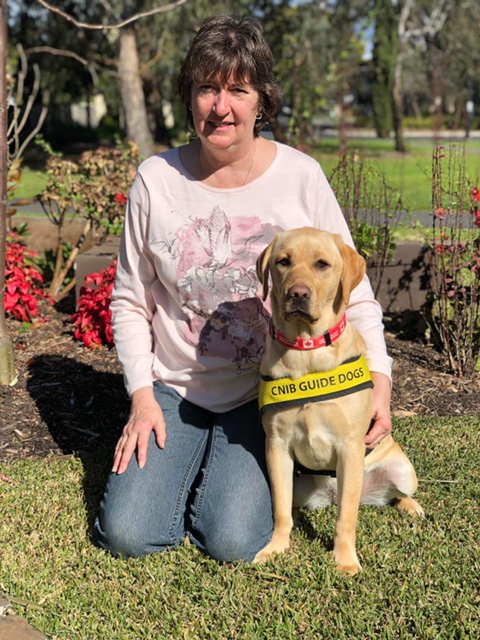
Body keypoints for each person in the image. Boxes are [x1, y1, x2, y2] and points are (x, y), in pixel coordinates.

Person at [95, 14, 393, 562]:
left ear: (261, 101)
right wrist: (141, 396)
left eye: (238, 89)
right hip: (175, 390)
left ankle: (214, 474)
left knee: (233, 541)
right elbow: (130, 300)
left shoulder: (301, 177)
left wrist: (380, 376)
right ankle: (182, 464)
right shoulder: (155, 182)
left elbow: (355, 289)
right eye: (207, 88)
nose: (221, 105)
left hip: (269, 392)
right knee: (127, 535)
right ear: (190, 96)